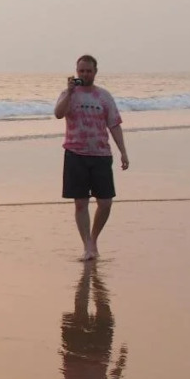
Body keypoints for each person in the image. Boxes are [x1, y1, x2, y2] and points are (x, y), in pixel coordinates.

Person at [53, 55, 129, 260]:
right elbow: (58, 114)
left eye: (88, 71)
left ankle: (94, 238)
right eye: (81, 71)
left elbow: (114, 124)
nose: (85, 74)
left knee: (105, 203)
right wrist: (69, 92)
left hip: (100, 154)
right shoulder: (68, 94)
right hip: (75, 154)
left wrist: (123, 151)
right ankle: (87, 245)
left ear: (95, 72)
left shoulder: (104, 96)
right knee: (81, 203)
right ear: (76, 72)